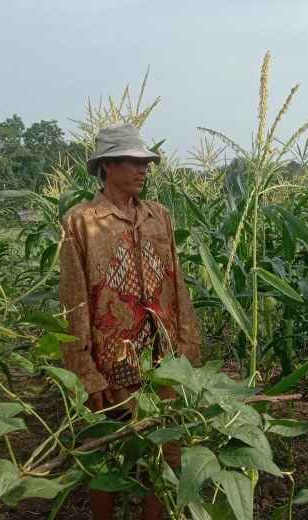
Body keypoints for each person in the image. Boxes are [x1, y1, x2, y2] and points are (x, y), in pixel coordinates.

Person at [59, 123, 201, 520]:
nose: (144, 170)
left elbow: (177, 284)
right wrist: (85, 371)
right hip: (110, 363)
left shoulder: (160, 217)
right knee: (104, 452)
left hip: (162, 358)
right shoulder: (81, 221)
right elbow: (73, 302)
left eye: (146, 163)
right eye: (134, 162)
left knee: (167, 450)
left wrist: (187, 348)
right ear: (107, 166)